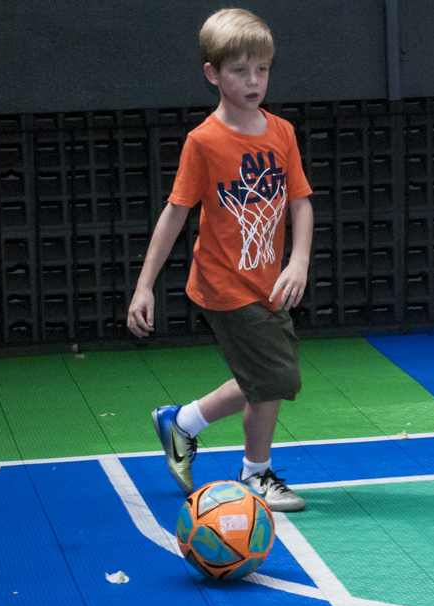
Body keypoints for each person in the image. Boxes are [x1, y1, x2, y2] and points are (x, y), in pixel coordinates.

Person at [126, 8, 312, 512]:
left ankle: (181, 423)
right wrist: (144, 286)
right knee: (276, 378)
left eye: (262, 70)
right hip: (223, 283)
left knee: (266, 376)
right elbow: (174, 214)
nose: (254, 81)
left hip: (269, 281)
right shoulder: (204, 142)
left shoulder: (282, 133)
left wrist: (297, 262)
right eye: (239, 71)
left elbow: (300, 202)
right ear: (212, 73)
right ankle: (256, 475)